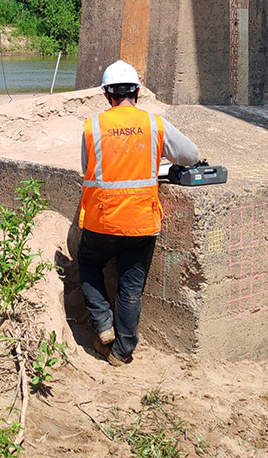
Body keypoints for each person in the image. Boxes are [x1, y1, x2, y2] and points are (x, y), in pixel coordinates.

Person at [79, 60, 200, 366]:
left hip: (102, 218)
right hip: (141, 221)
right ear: (136, 91)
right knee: (131, 285)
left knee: (88, 264)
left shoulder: (93, 126)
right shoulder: (154, 123)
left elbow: (88, 170)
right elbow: (191, 156)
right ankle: (122, 350)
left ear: (107, 95)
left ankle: (104, 326)